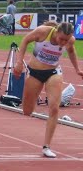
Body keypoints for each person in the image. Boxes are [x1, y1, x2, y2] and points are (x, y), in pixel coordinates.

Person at [13, 21, 83, 158]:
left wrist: (77, 69)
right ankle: (31, 106)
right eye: (61, 39)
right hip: (34, 72)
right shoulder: (42, 32)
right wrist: (19, 62)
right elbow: (25, 40)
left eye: (66, 40)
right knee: (27, 111)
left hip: (54, 73)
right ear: (56, 32)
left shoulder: (70, 41)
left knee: (54, 108)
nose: (63, 42)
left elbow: (71, 52)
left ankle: (46, 146)